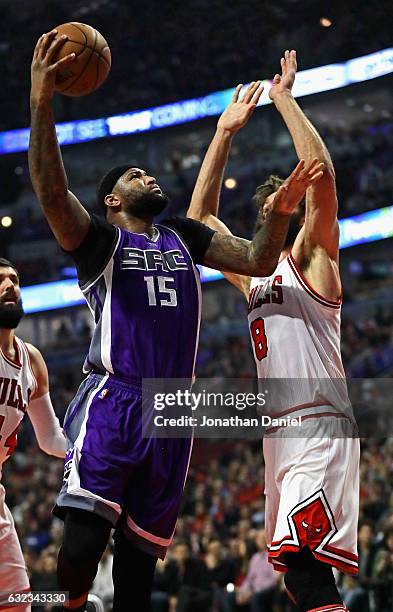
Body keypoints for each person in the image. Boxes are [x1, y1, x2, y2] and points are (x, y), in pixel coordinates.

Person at [29, 30, 323, 612]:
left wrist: (281, 212)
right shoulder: (99, 242)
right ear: (112, 200)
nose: (148, 175)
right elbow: (52, 190)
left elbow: (260, 258)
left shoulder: (186, 238)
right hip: (115, 398)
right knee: (82, 551)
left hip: (173, 411)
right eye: (134, 174)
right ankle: (50, 603)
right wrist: (41, 101)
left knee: (139, 576)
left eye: (147, 171)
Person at [187, 50, 359, 612]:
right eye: (266, 213)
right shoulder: (250, 273)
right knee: (295, 575)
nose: (270, 218)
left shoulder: (312, 258)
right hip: (277, 433)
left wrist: (283, 97)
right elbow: (200, 225)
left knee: (307, 569)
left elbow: (322, 177)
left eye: (278, 212)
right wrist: (222, 134)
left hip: (316, 418)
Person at [0, 257, 66, 611]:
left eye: (15, 279)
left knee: (17, 602)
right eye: (0, 280)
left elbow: (51, 439)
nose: (10, 285)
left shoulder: (31, 360)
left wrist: (87, 448)